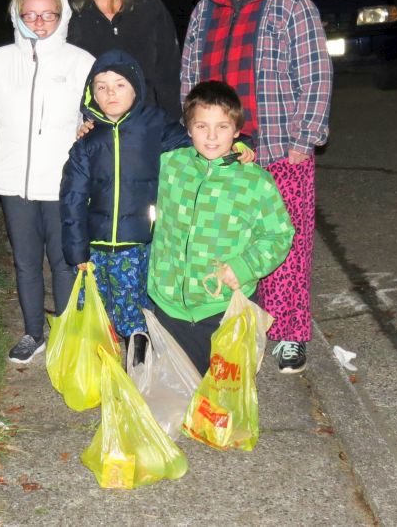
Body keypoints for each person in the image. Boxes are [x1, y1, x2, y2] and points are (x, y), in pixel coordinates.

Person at [180, 0, 333, 374]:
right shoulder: (206, 8)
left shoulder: (291, 5)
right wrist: (192, 128)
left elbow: (316, 76)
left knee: (284, 247)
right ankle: (232, 330)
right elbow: (189, 72)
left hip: (279, 150)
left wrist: (304, 140)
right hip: (220, 150)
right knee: (228, 245)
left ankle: (289, 335)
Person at [60, 51, 254, 367]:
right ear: (90, 94)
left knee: (137, 312)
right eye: (102, 87)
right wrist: (76, 251)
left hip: (140, 243)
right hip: (95, 248)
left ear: (136, 88)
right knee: (98, 310)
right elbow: (72, 199)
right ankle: (102, 368)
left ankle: (141, 366)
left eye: (120, 85)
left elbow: (200, 140)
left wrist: (239, 143)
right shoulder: (88, 141)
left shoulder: (155, 125)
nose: (111, 94)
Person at [0, 0, 94, 364]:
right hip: (13, 183)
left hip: (62, 185)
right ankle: (32, 332)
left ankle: (68, 334)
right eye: (31, 15)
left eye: (48, 15)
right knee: (25, 261)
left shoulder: (80, 62)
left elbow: (98, 115)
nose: (39, 23)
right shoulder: (0, 61)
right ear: (17, 17)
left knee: (65, 261)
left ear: (62, 16)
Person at [147, 80, 294, 375]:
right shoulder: (170, 165)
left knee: (220, 399)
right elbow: (123, 158)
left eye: (222, 127)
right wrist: (91, 128)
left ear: (238, 130)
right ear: (188, 129)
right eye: (201, 126)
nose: (212, 136)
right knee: (174, 397)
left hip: (222, 308)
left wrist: (243, 267)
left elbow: (279, 235)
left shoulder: (254, 182)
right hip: (168, 303)